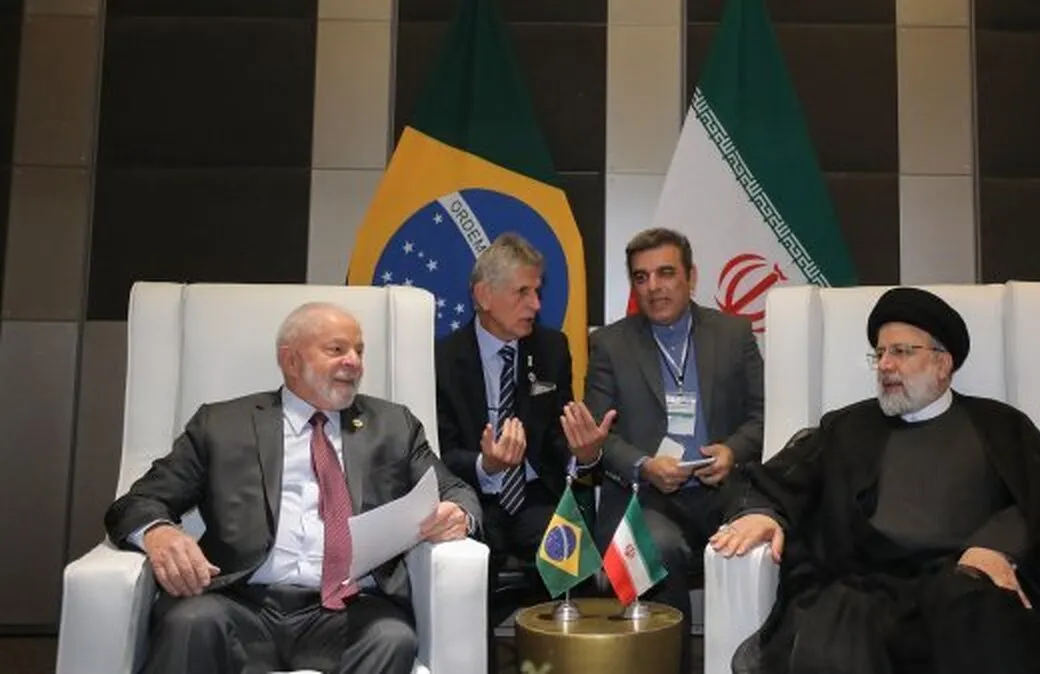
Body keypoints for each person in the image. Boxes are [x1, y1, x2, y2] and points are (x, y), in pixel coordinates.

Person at [711, 286, 1040, 674]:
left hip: (964, 589)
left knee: (984, 624)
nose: (886, 365)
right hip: (864, 589)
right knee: (834, 633)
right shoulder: (848, 427)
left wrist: (998, 545)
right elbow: (779, 479)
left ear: (943, 364)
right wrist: (762, 514)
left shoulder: (1000, 425)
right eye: (880, 353)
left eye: (902, 352)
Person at [104, 301, 482, 674]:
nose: (354, 361)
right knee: (189, 623)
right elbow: (139, 501)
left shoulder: (393, 425)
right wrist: (158, 533)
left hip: (351, 608)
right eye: (337, 349)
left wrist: (458, 514)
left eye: (359, 351)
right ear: (291, 360)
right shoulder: (221, 425)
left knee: (392, 638)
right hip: (239, 601)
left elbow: (455, 490)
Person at [574, 227, 764, 672]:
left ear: (690, 277)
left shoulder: (733, 333)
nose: (654, 287)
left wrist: (733, 452)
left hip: (724, 490)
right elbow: (599, 436)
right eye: (641, 277)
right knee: (654, 549)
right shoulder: (610, 344)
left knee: (757, 541)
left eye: (666, 273)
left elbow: (762, 414)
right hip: (646, 497)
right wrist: (643, 465)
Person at [435, 234, 610, 628]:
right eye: (523, 292)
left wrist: (584, 455)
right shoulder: (441, 359)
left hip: (534, 496)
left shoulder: (551, 349)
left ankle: (568, 654)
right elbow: (437, 452)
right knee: (464, 570)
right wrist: (486, 465)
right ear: (484, 295)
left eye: (537, 292)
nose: (536, 305)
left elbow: (557, 438)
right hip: (472, 500)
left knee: (574, 557)